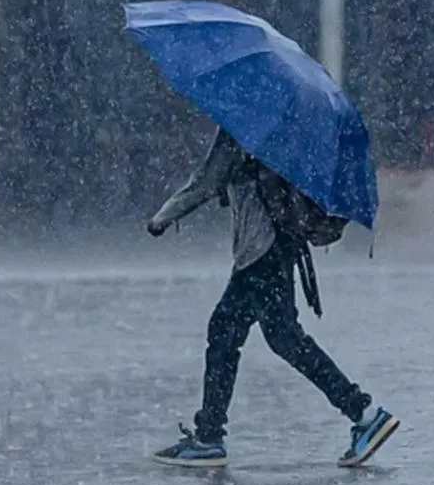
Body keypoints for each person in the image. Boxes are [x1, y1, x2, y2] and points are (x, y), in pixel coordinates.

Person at [147, 126, 398, 467]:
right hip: (279, 246)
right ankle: (364, 413)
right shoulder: (282, 129)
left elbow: (207, 181)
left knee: (230, 332)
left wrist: (162, 218)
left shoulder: (242, 125)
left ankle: (210, 437)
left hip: (260, 251)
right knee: (277, 338)